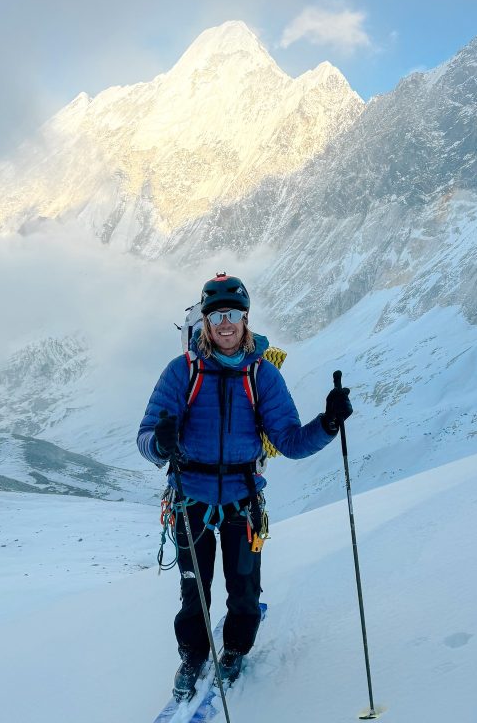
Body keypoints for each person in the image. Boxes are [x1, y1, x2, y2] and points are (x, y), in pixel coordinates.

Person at [137, 273, 353, 699]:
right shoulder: (182, 372)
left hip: (242, 497)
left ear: (246, 318)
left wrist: (328, 424)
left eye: (233, 314)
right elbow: (146, 437)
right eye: (217, 315)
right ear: (205, 320)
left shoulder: (262, 375)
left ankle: (235, 649)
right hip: (189, 498)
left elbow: (289, 440)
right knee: (193, 590)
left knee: (244, 588)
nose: (225, 323)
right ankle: (193, 656)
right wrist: (160, 444)